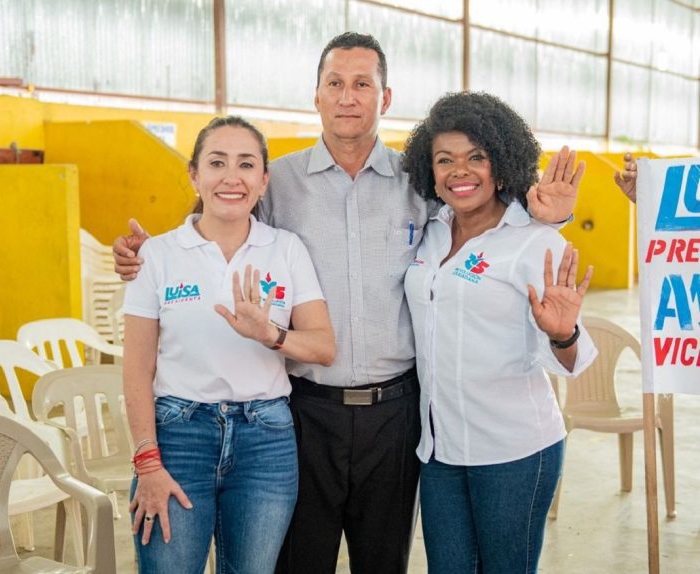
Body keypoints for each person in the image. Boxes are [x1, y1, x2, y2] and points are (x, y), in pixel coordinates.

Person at [114, 33, 582, 574]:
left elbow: (482, 217)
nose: (348, 96)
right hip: (304, 410)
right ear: (316, 96)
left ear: (385, 99)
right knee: (298, 562)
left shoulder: (421, 182)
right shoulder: (276, 181)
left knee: (383, 562)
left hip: (397, 413)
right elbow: (214, 220)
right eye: (334, 83)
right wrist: (144, 255)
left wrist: (545, 218)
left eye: (363, 84)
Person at [123, 115, 335, 574]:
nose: (231, 177)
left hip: (267, 442)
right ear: (195, 175)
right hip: (178, 436)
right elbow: (136, 369)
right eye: (217, 163)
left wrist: (270, 334)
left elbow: (323, 347)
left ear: (264, 180)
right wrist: (147, 462)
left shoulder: (286, 249)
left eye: (246, 164)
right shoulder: (157, 256)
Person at [401, 91, 598, 574]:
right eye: (444, 160)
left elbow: (574, 360)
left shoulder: (534, 241)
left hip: (514, 452)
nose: (459, 171)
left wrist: (562, 333)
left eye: (476, 157)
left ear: (501, 162)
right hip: (439, 449)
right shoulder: (429, 230)